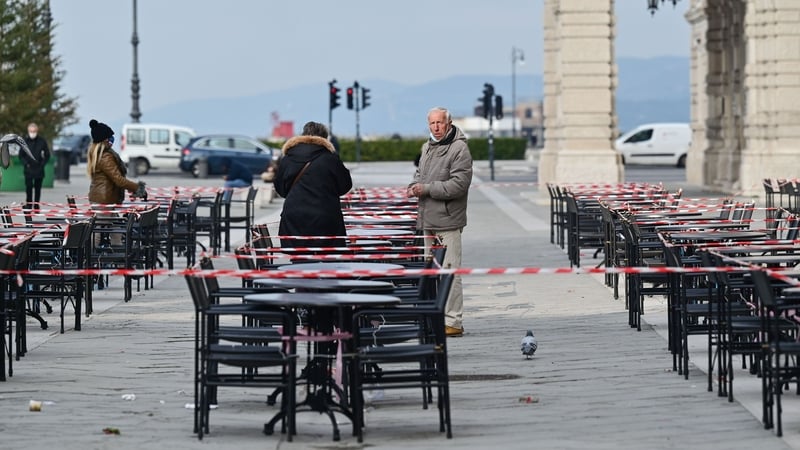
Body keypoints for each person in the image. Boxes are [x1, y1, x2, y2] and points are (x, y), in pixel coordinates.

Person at [407, 107, 473, 337]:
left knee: (450, 272)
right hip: (428, 220)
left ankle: (453, 321)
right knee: (431, 272)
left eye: (440, 123)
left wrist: (426, 189)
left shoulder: (459, 149)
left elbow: (459, 185)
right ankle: (435, 317)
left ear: (449, 123)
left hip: (448, 221)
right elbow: (420, 176)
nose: (436, 127)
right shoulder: (427, 147)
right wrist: (414, 187)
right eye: (432, 123)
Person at [274, 121, 352, 250]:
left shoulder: (288, 158)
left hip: (295, 216)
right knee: (327, 260)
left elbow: (281, 189)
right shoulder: (330, 158)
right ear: (324, 138)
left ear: (303, 135)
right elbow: (345, 185)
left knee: (298, 260)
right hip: (326, 217)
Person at [86, 119, 145, 204]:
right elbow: (119, 180)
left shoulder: (100, 154)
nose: (112, 139)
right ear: (105, 139)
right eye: (110, 136)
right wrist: (138, 188)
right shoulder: (105, 156)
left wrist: (131, 188)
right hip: (104, 201)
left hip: (102, 199)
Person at [21, 122, 50, 210]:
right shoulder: (24, 141)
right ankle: (29, 204)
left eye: (34, 131)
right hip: (28, 169)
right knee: (28, 187)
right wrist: (26, 163)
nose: (32, 133)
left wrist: (42, 164)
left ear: (37, 131)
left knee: (38, 188)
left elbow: (47, 155)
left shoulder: (42, 141)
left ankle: (36, 204)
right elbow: (21, 155)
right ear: (28, 131)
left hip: (39, 169)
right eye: (31, 131)